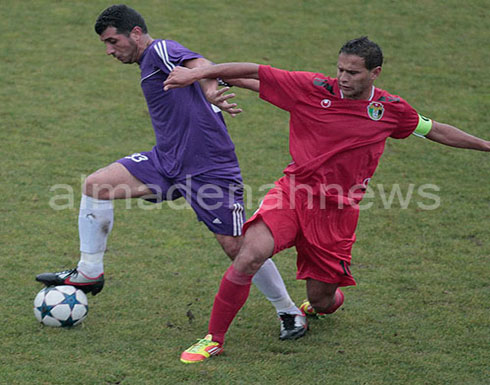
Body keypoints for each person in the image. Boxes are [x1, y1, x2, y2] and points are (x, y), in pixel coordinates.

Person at [163, 36, 490, 363]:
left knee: (321, 301)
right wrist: (197, 75)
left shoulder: (391, 110)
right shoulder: (312, 87)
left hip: (337, 214)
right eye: (340, 70)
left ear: (375, 73)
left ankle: (320, 303)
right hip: (293, 194)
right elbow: (255, 71)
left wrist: (485, 145)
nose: (344, 78)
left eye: (353, 73)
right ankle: (213, 338)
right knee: (249, 254)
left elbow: (435, 130)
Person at [35, 4, 307, 341]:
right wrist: (204, 88)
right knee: (97, 185)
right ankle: (89, 273)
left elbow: (203, 65)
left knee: (239, 248)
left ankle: (288, 311)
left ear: (135, 33)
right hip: (166, 162)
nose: (109, 51)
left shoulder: (160, 50)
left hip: (208, 170)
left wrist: (208, 89)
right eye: (105, 44)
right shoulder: (149, 63)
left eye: (112, 41)